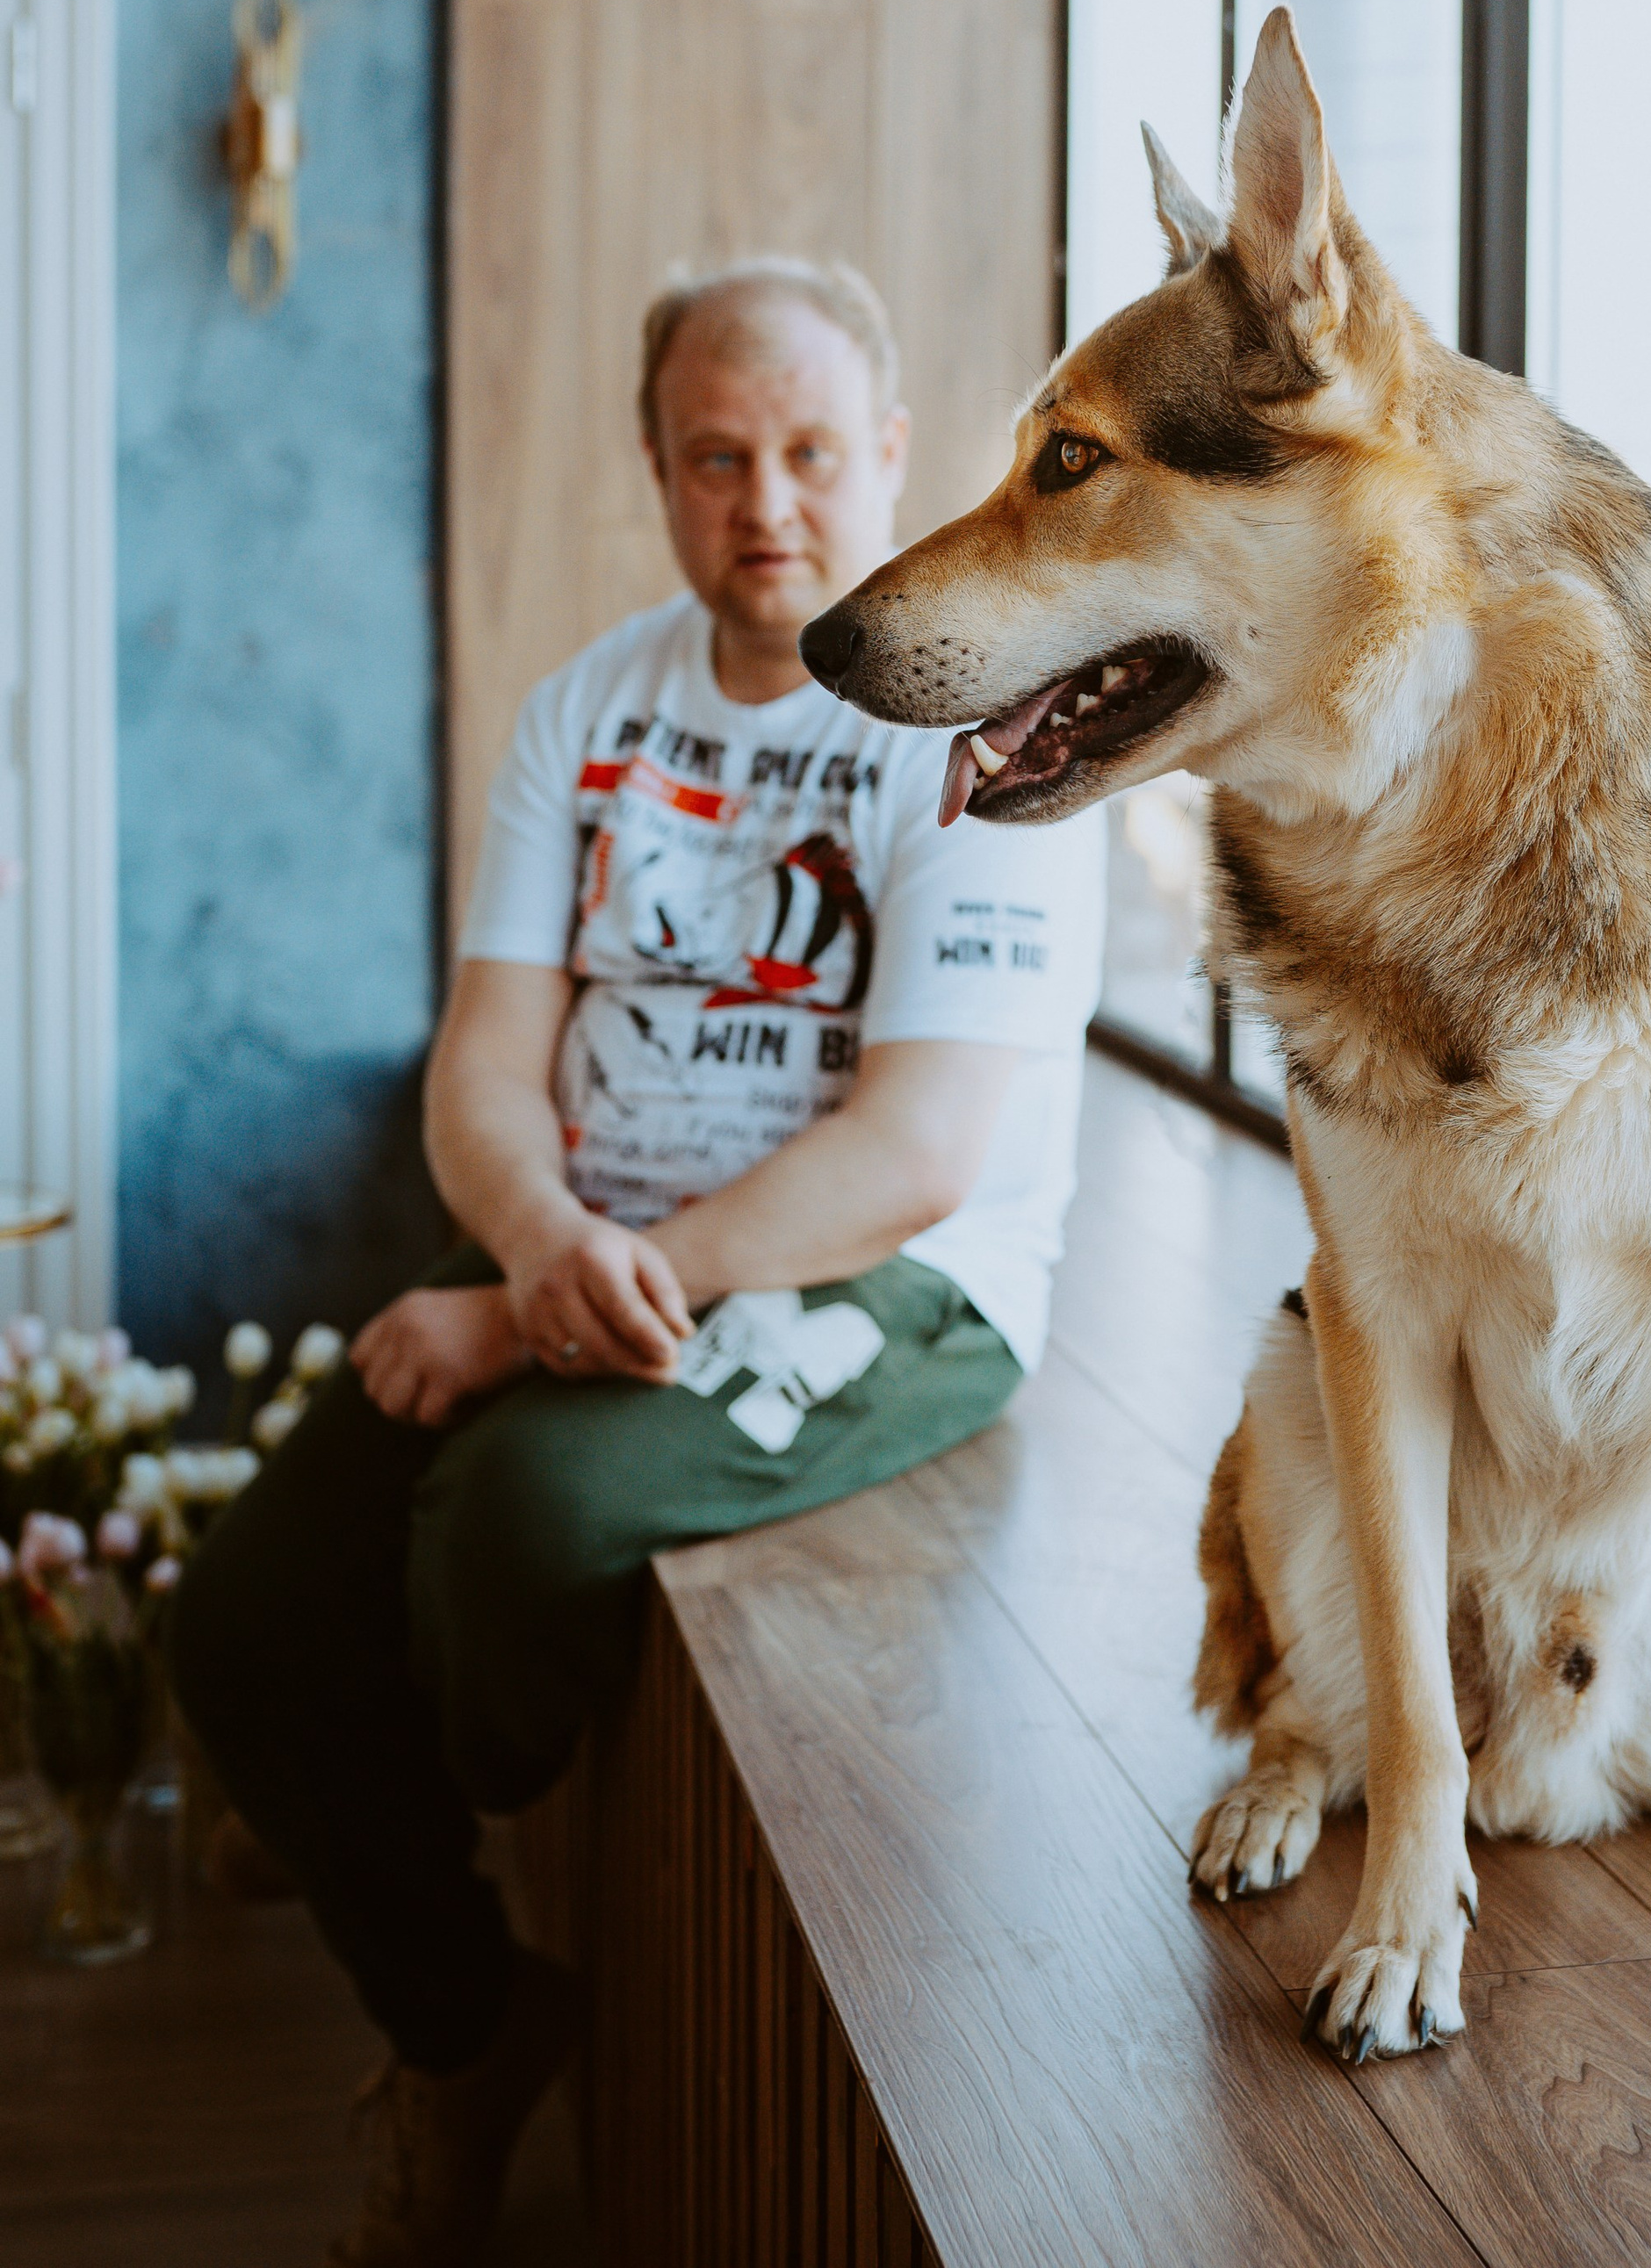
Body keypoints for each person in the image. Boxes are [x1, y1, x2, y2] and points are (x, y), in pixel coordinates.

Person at [171, 256, 1105, 2268]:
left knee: (508, 1518)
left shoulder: (981, 732)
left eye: (802, 452)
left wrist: (518, 1312)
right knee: (239, 1620)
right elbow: (482, 1061)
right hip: (577, 1229)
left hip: (887, 1279)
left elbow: (918, 1153)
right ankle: (474, 2023)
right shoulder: (589, 704)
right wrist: (528, 1237)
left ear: (885, 456)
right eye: (712, 455)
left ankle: (379, 1798)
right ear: (658, 470)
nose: (761, 499)